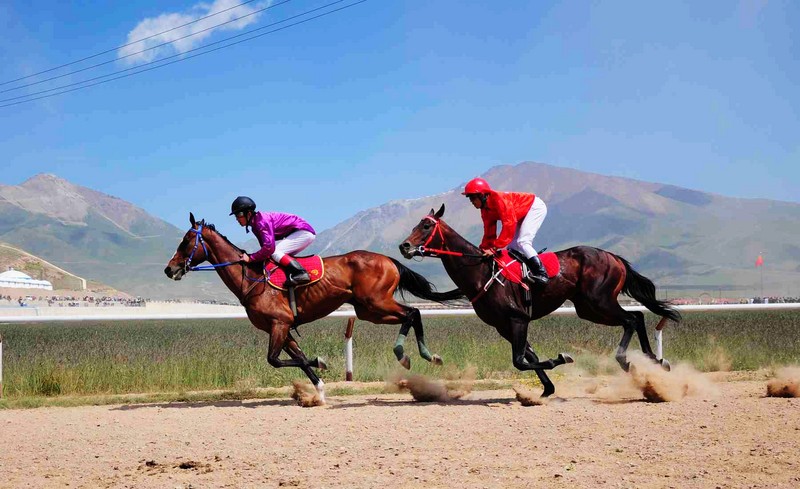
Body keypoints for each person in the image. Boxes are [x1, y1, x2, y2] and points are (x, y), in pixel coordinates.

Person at [461, 177, 549, 286]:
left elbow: (509, 225)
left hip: (534, 207)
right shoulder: (485, 210)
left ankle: (542, 274)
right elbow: (489, 232)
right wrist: (483, 249)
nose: (472, 202)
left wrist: (493, 249)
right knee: (511, 248)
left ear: (482, 195)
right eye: (470, 199)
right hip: (519, 214)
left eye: (473, 198)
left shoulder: (500, 200)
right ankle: (525, 271)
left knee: (523, 242)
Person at [230, 196, 316, 287]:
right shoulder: (255, 225)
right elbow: (265, 250)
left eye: (239, 214)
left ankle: (301, 273)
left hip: (303, 232)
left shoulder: (261, 222)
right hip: (298, 232)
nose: (237, 219)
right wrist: (252, 256)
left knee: (275, 252)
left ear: (249, 213)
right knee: (273, 254)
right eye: (236, 216)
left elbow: (268, 248)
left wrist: (251, 258)